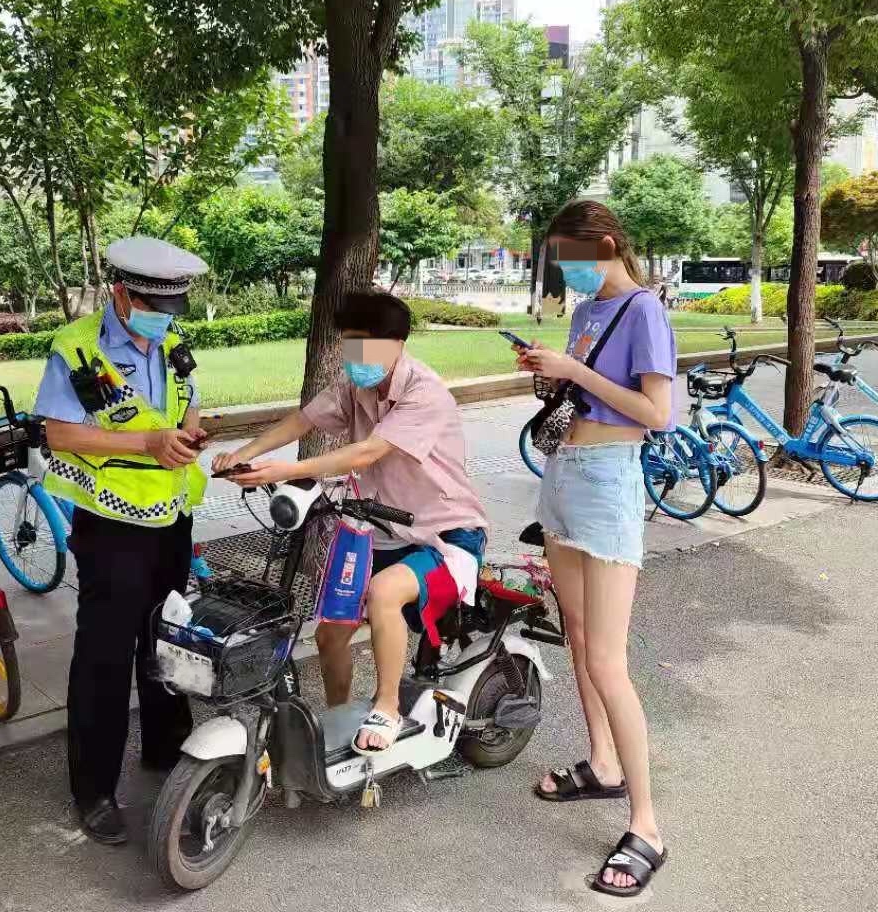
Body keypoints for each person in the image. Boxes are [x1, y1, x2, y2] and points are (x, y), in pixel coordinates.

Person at [212, 291, 488, 754]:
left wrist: (286, 470)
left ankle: (388, 708)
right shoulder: (354, 386)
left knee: (385, 593)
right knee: (329, 632)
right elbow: (303, 420)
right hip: (382, 530)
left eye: (365, 345)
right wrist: (244, 455)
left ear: (396, 343)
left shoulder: (425, 392)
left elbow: (369, 451)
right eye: (348, 345)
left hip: (444, 536)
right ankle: (337, 721)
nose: (354, 357)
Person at [515, 199, 672, 898]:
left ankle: (647, 827)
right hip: (563, 477)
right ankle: (603, 766)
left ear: (605, 244)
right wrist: (549, 373)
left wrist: (574, 374)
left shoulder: (644, 310)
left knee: (609, 659)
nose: (567, 270)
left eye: (572, 257)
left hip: (610, 482)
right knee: (577, 638)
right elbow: (577, 396)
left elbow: (653, 413)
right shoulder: (584, 316)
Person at [34, 236, 209, 845]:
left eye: (175, 305)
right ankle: (95, 790)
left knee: (167, 637)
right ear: (120, 295)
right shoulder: (79, 349)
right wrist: (149, 444)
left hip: (169, 519)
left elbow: (185, 406)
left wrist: (189, 434)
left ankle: (166, 749)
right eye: (155, 304)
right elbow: (59, 434)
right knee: (105, 656)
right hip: (110, 526)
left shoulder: (173, 342)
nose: (167, 316)